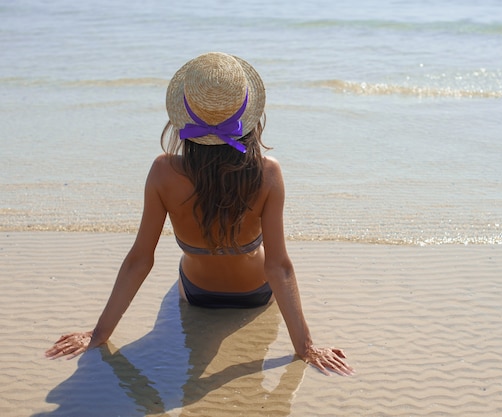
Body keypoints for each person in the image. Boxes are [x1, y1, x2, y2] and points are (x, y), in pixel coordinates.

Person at [45, 52, 354, 377]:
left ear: (184, 116)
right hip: (256, 295)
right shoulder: (267, 173)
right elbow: (278, 267)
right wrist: (305, 347)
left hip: (198, 295)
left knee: (182, 271)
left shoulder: (163, 172)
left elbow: (140, 260)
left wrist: (98, 334)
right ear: (249, 116)